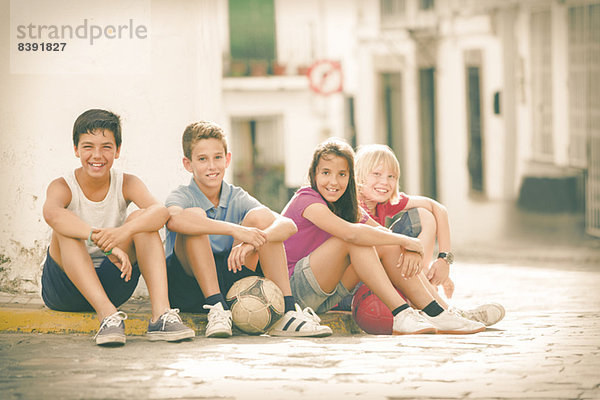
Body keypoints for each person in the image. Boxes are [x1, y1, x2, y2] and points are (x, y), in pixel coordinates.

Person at [282, 138, 485, 334]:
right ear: (313, 174)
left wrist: (407, 248)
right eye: (326, 173)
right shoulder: (307, 199)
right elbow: (351, 234)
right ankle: (402, 313)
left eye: (342, 174)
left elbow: (381, 234)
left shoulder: (346, 205)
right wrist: (407, 241)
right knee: (355, 239)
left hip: (328, 295)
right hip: (295, 291)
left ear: (350, 177)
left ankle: (437, 313)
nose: (334, 181)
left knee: (379, 240)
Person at [41, 109, 195, 346]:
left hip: (112, 280)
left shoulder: (127, 183)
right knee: (65, 227)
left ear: (117, 150)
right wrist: (100, 241)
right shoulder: (63, 186)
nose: (97, 155)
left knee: (143, 219)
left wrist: (122, 233)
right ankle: (108, 315)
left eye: (106, 147)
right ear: (76, 150)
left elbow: (160, 213)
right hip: (65, 289)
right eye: (88, 146)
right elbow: (51, 213)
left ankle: (161, 316)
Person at [164, 121, 332, 338]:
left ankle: (287, 313)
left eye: (217, 157)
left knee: (261, 219)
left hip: (231, 279)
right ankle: (216, 308)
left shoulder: (236, 195)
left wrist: (254, 239)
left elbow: (288, 225)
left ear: (228, 159)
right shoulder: (182, 195)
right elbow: (174, 220)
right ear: (188, 164)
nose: (212, 166)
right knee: (194, 217)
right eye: (202, 159)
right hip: (189, 286)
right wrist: (236, 231)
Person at [354, 143, 505, 326]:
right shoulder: (354, 207)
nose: (385, 182)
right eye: (376, 174)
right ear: (359, 176)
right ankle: (444, 311)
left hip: (388, 266)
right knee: (390, 241)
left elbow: (437, 208)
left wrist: (444, 260)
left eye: (391, 176)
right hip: (355, 285)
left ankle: (428, 288)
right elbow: (382, 239)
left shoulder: (383, 202)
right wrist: (409, 247)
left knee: (425, 215)